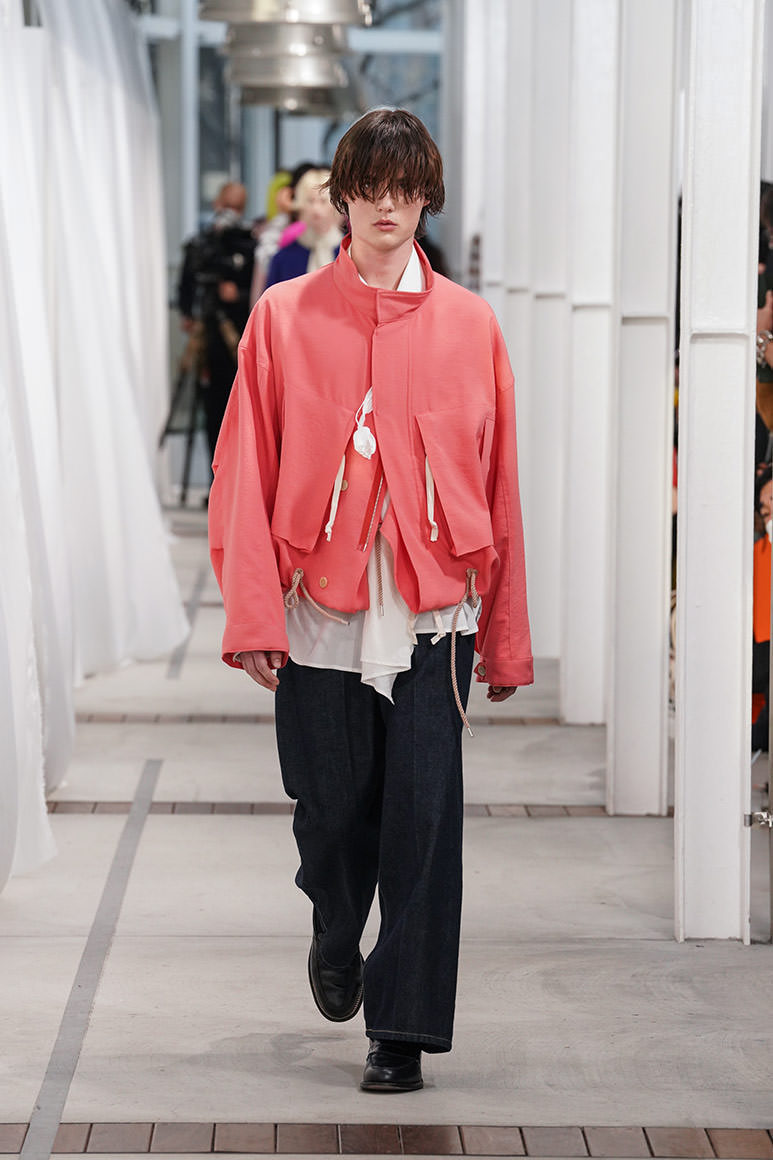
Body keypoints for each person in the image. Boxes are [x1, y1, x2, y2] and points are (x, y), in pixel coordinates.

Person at [208, 109, 533, 1093]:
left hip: (436, 617)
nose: (387, 205)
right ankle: (334, 922)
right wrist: (252, 614)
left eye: (405, 188)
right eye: (369, 187)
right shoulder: (284, 316)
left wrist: (505, 637)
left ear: (426, 196)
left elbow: (498, 481)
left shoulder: (469, 324)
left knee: (422, 828)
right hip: (317, 611)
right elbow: (244, 470)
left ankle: (400, 1030)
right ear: (342, 194)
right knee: (330, 815)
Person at [177, 182, 255, 464]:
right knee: (213, 405)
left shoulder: (250, 245)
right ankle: (216, 472)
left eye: (236, 208)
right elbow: (187, 283)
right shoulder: (202, 244)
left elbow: (261, 291)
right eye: (227, 206)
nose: (229, 215)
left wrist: (240, 294)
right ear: (216, 204)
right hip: (210, 335)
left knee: (244, 406)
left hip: (242, 334)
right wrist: (188, 313)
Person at [264, 168, 344, 289]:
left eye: (323, 201)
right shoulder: (283, 258)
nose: (316, 209)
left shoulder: (352, 254)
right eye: (310, 201)